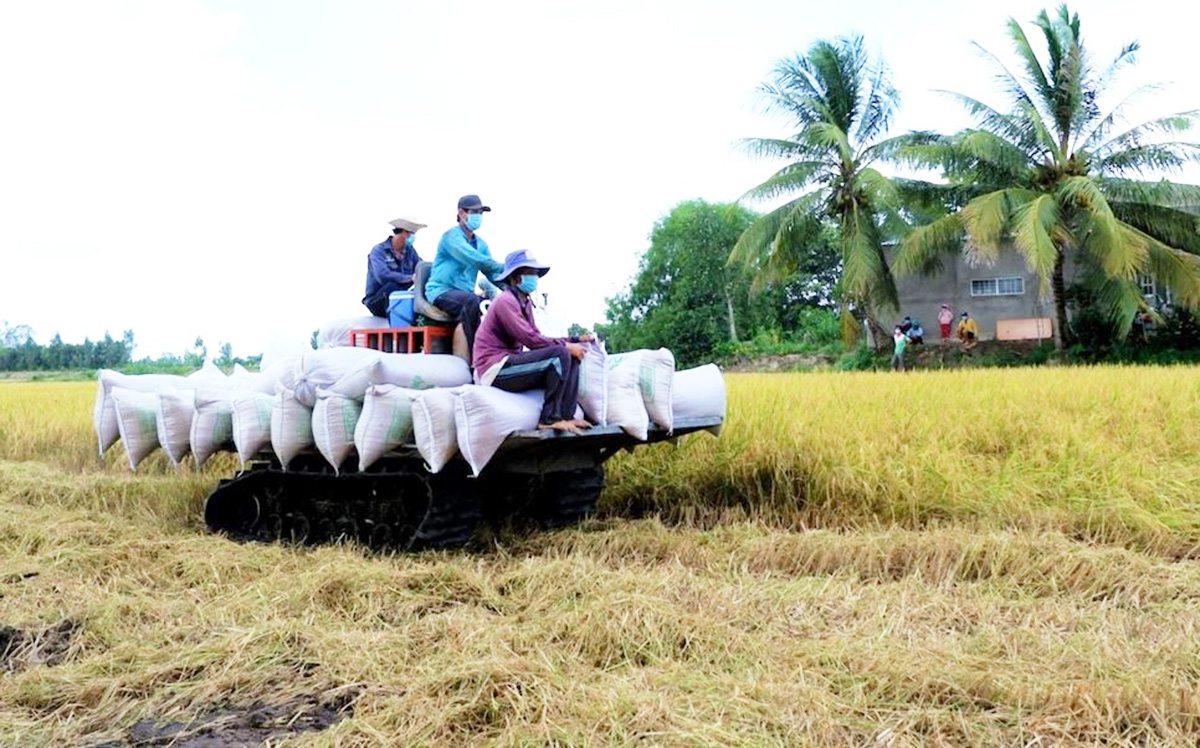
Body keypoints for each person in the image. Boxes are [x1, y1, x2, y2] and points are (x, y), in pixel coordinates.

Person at [473, 250, 592, 433]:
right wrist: (567, 346)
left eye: (535, 273)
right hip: (494, 368)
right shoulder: (505, 301)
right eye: (528, 273)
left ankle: (566, 416)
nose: (533, 277)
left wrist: (574, 340)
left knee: (572, 356)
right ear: (514, 278)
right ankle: (549, 419)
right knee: (561, 354)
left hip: (511, 362)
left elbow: (537, 336)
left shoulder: (525, 303)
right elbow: (531, 340)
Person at [427, 194, 505, 360]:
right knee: (472, 302)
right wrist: (506, 267)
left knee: (492, 305)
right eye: (474, 212)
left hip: (464, 294)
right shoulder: (451, 237)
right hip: (441, 292)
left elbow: (492, 273)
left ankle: (499, 355)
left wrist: (513, 288)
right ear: (461, 214)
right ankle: (478, 359)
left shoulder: (481, 244)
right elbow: (473, 258)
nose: (479, 216)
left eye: (481, 213)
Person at [362, 218, 426, 317]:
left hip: (399, 297)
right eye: (410, 233)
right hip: (378, 299)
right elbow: (382, 275)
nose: (412, 236)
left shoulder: (410, 252)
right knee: (392, 286)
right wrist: (410, 278)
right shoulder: (379, 250)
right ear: (402, 232)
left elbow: (420, 267)